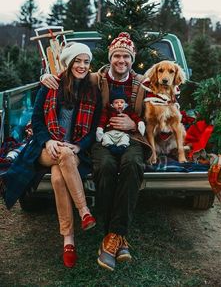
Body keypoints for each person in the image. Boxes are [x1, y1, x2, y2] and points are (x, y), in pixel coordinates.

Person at [41, 32, 152, 272]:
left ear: (132, 59)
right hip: (102, 138)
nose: (121, 61)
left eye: (126, 56)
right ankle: (114, 236)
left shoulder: (142, 82)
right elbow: (69, 73)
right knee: (105, 167)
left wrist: (135, 124)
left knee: (133, 165)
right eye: (117, 56)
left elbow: (157, 109)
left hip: (132, 137)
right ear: (110, 58)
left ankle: (114, 235)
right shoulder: (96, 78)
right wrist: (45, 76)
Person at [5, 42, 102, 269]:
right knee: (62, 156)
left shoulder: (93, 91)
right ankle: (84, 211)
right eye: (77, 61)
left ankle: (68, 240)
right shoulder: (51, 85)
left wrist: (79, 146)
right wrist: (48, 141)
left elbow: (93, 126)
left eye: (86, 62)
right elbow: (37, 121)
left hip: (74, 150)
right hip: (45, 149)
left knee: (59, 176)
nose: (82, 66)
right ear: (68, 63)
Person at [96, 88, 145, 155]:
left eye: (122, 102)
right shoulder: (108, 111)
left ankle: (121, 147)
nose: (119, 104)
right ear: (112, 104)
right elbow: (102, 120)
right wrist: (100, 129)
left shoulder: (128, 111)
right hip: (110, 132)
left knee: (125, 138)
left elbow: (136, 117)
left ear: (125, 104)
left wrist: (140, 123)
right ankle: (110, 146)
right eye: (116, 102)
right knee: (105, 137)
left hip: (123, 133)